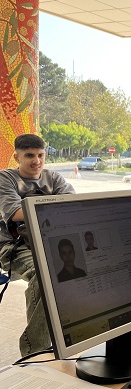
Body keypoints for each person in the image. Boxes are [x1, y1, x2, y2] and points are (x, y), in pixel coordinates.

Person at [0, 134, 75, 356]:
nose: (37, 161)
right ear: (17, 157)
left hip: (49, 242)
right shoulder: (6, 178)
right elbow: (15, 213)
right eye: (30, 156)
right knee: (45, 275)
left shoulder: (54, 178)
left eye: (41, 155)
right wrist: (55, 208)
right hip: (13, 246)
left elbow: (73, 205)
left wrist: (40, 209)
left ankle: (68, 335)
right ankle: (34, 351)